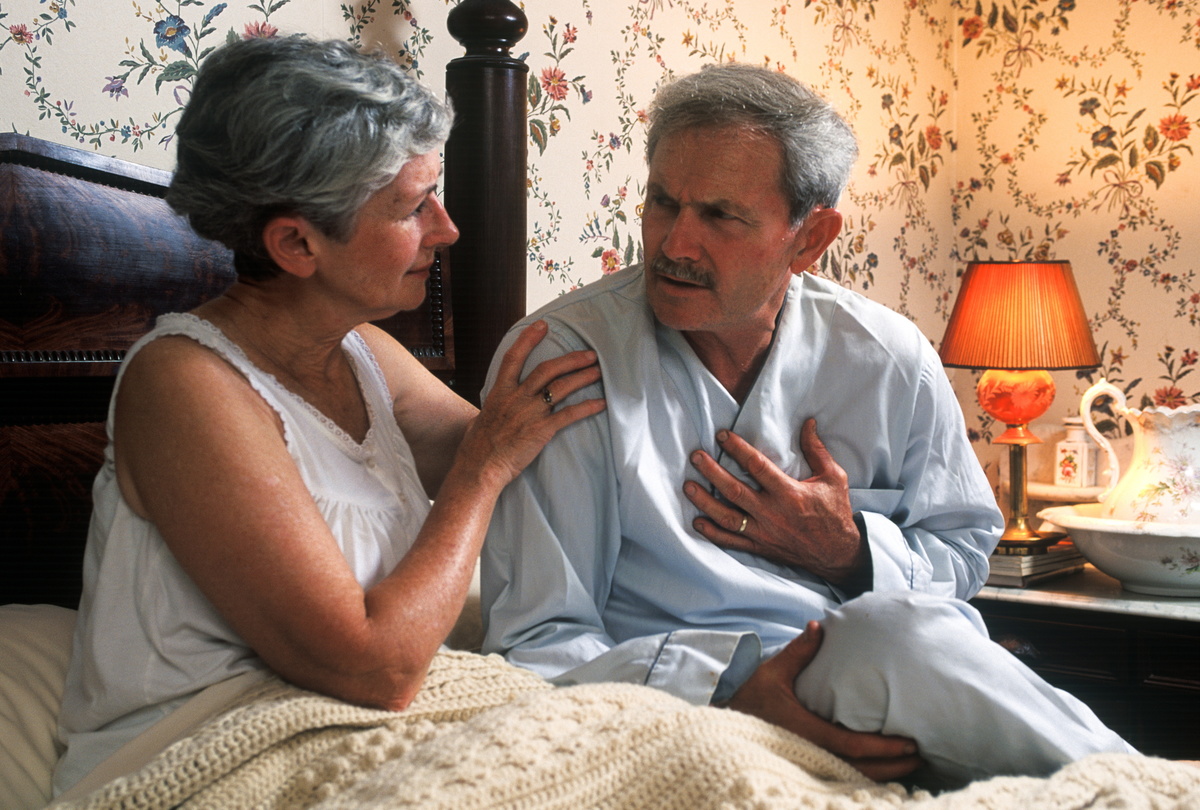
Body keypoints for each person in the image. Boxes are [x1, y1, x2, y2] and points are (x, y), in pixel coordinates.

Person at [478, 63, 1134, 788]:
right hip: (666, 699)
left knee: (897, 634)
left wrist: (852, 553)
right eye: (663, 202)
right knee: (902, 639)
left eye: (721, 216)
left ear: (810, 238)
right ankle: (1140, 786)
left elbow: (962, 553)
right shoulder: (565, 361)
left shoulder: (888, 358)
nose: (674, 245)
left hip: (878, 676)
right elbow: (540, 638)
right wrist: (729, 697)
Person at [52, 36, 605, 797]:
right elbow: (375, 665)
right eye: (414, 207)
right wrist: (483, 470)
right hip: (205, 755)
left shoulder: (363, 352)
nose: (446, 230)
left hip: (354, 727)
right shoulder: (183, 385)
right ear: (296, 243)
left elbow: (533, 450)